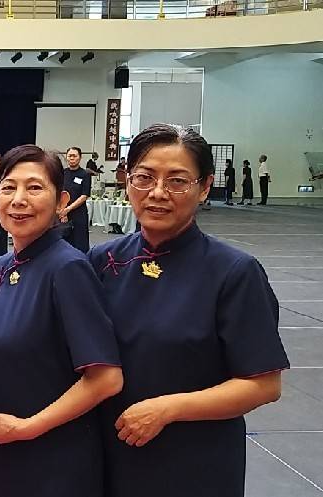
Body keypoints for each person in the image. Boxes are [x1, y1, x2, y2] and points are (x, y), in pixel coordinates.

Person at [88, 124, 289, 497]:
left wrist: (167, 409)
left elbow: (263, 384)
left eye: (177, 181)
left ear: (205, 187)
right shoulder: (102, 261)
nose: (158, 193)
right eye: (144, 178)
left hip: (194, 462)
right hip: (108, 454)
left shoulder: (233, 272)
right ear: (127, 181)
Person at [0, 145, 123, 497]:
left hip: (56, 453)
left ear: (60, 201)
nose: (19, 199)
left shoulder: (68, 268)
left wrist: (28, 428)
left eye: (35, 187)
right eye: (8, 187)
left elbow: (106, 378)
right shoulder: (0, 267)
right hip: (6, 442)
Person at [61, 146, 91, 252]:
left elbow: (84, 195)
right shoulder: (62, 173)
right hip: (62, 213)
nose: (72, 158)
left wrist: (68, 209)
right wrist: (63, 212)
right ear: (66, 157)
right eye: (70, 156)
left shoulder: (85, 174)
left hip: (79, 213)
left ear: (80, 157)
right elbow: (58, 192)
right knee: (63, 243)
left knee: (80, 242)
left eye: (75, 156)